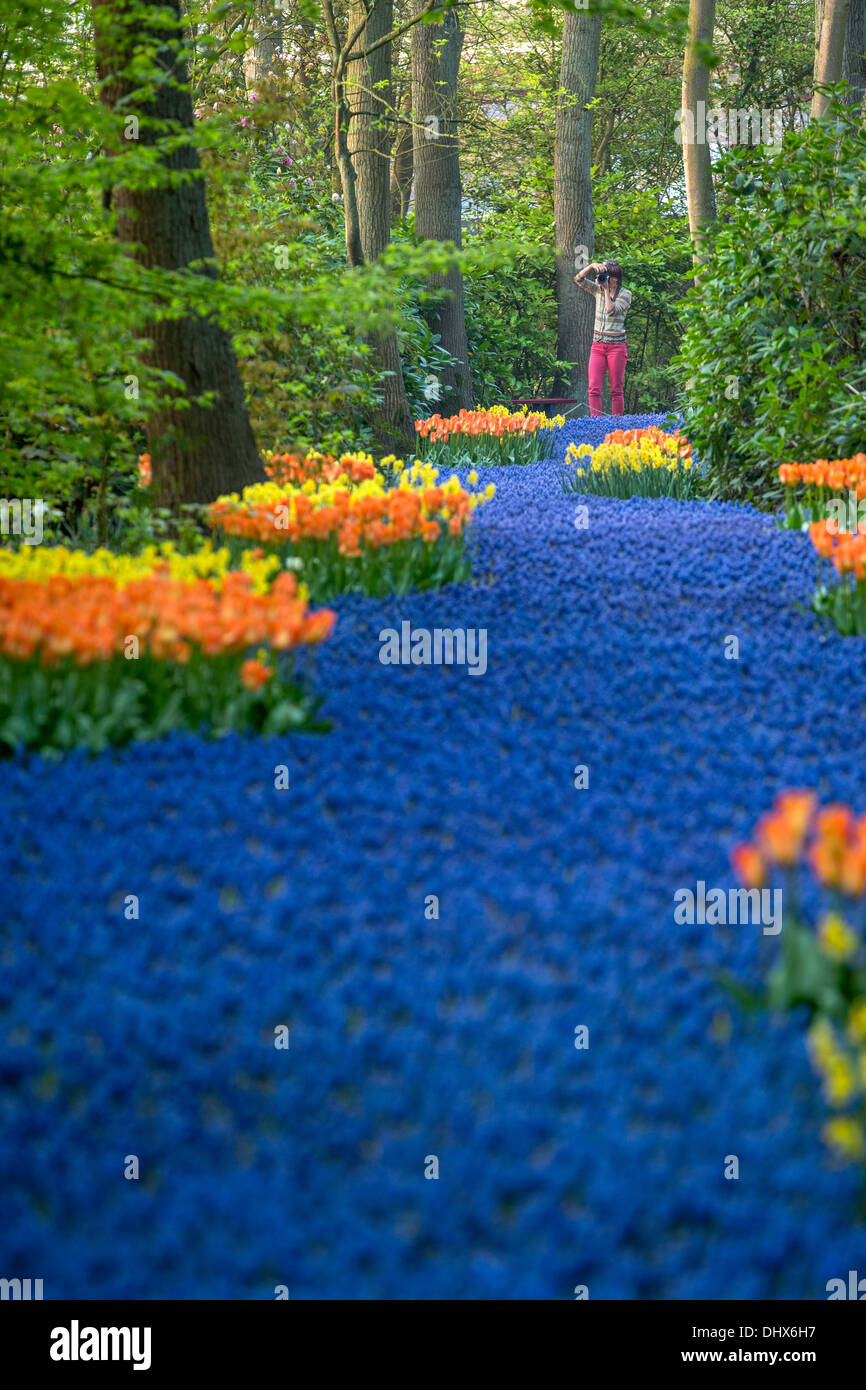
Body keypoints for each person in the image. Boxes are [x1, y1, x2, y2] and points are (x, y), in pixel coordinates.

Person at [574, 259, 632, 418]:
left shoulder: (626, 294)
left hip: (616, 347)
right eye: (603, 275)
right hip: (598, 346)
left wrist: (606, 290)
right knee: (593, 388)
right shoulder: (597, 289)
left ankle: (617, 424)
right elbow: (577, 279)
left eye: (608, 276)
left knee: (616, 389)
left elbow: (610, 310)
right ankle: (596, 423)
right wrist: (592, 266)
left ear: (616, 278)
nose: (604, 278)